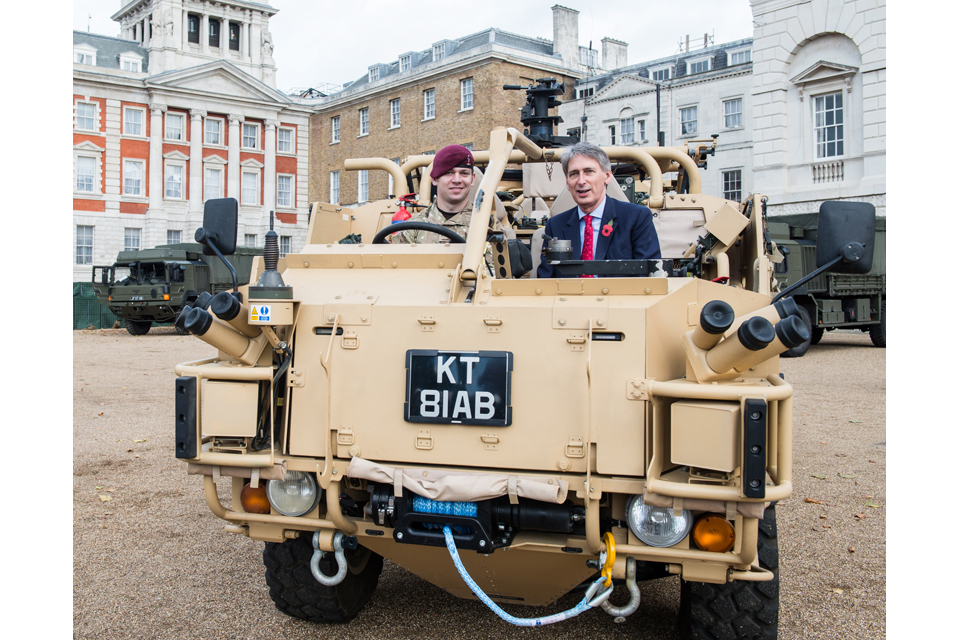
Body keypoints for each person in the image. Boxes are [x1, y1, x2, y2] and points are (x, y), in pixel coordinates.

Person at [536, 142, 661, 278]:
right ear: (567, 183)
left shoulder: (637, 218)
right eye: (574, 174)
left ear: (607, 176)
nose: (581, 181)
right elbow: (545, 281)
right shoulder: (555, 225)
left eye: (589, 171)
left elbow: (651, 276)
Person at [391, 144, 505, 246]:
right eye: (449, 173)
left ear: (472, 179)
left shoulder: (489, 227)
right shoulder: (412, 228)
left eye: (464, 173)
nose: (457, 180)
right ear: (435, 179)